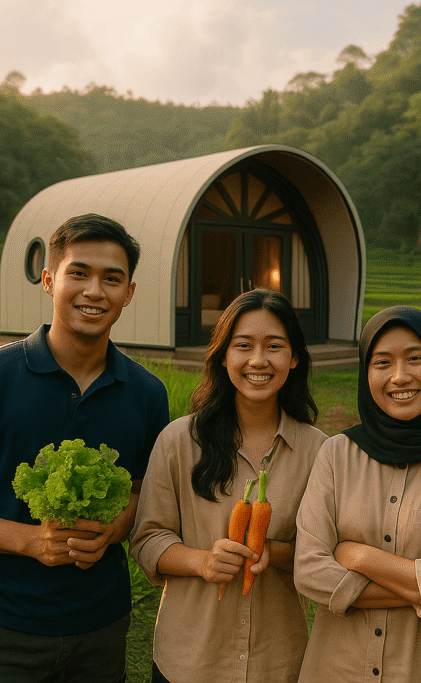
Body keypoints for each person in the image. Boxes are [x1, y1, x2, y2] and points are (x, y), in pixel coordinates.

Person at [0, 213, 170, 683]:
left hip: (100, 627)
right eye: (79, 273)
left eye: (112, 279)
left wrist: (112, 529)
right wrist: (30, 541)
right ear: (49, 280)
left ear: (128, 293)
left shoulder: (146, 392)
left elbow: (137, 490)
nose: (95, 291)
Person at [294, 306, 421, 683]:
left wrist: (357, 555)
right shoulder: (337, 454)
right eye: (382, 362)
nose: (400, 376)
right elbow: (309, 572)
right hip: (337, 670)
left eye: (415, 358)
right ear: (365, 372)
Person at [130, 288, 327, 683]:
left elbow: (326, 552)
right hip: (189, 661)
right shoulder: (179, 441)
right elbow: (147, 539)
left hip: (279, 663)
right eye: (243, 346)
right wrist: (202, 562)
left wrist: (277, 552)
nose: (258, 360)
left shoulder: (319, 451)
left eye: (274, 346)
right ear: (223, 356)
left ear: (294, 359)